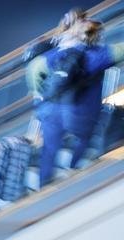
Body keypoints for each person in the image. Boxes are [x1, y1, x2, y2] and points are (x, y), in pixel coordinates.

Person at [29, 18, 124, 186]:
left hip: (54, 111)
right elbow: (120, 51)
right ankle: (74, 169)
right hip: (83, 113)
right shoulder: (97, 55)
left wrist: (40, 94)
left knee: (49, 150)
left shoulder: (56, 54)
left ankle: (44, 184)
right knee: (89, 135)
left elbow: (34, 70)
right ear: (96, 36)